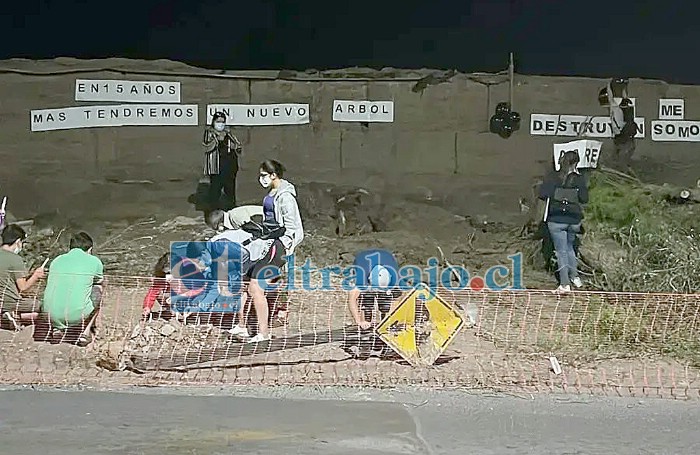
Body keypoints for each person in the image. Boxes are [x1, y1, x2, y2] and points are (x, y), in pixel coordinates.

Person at [257, 160, 303, 324]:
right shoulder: (272, 193)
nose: (261, 179)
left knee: (281, 278)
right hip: (270, 239)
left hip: (282, 242)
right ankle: (269, 310)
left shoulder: (286, 197)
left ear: (273, 175)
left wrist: (285, 244)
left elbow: (291, 225)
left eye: (264, 175)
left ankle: (281, 313)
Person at [538, 151, 589, 292]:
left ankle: (564, 284)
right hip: (574, 219)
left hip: (556, 219)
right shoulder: (579, 179)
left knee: (561, 252)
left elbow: (542, 195)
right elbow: (584, 199)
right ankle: (575, 278)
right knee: (570, 248)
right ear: (576, 163)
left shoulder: (554, 177)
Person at [41, 232, 104, 344]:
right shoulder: (95, 261)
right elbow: (99, 282)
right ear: (90, 249)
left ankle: (57, 329)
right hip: (77, 315)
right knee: (98, 290)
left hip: (49, 313)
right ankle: (85, 332)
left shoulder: (57, 260)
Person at [0, 224, 45, 329]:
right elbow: (23, 288)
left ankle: (7, 316)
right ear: (17, 241)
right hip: (10, 302)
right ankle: (17, 317)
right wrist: (36, 276)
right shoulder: (15, 259)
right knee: (44, 307)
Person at [347, 248, 403, 330]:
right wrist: (359, 321)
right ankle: (365, 323)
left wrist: (390, 319)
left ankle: (385, 322)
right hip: (363, 260)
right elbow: (352, 299)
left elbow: (398, 299)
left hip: (386, 256)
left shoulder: (395, 277)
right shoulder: (361, 276)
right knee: (366, 301)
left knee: (386, 303)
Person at [202, 111, 243, 211]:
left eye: (222, 121)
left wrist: (236, 146)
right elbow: (206, 147)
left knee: (230, 190)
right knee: (215, 190)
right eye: (218, 121)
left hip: (229, 165)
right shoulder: (209, 132)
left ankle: (231, 212)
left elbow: (238, 145)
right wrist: (217, 140)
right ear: (214, 122)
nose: (220, 124)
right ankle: (213, 213)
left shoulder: (228, 132)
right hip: (216, 166)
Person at [142, 252, 173, 319]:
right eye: (167, 273)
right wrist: (147, 306)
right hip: (170, 299)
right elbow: (152, 293)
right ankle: (168, 310)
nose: (168, 275)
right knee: (160, 294)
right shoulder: (161, 279)